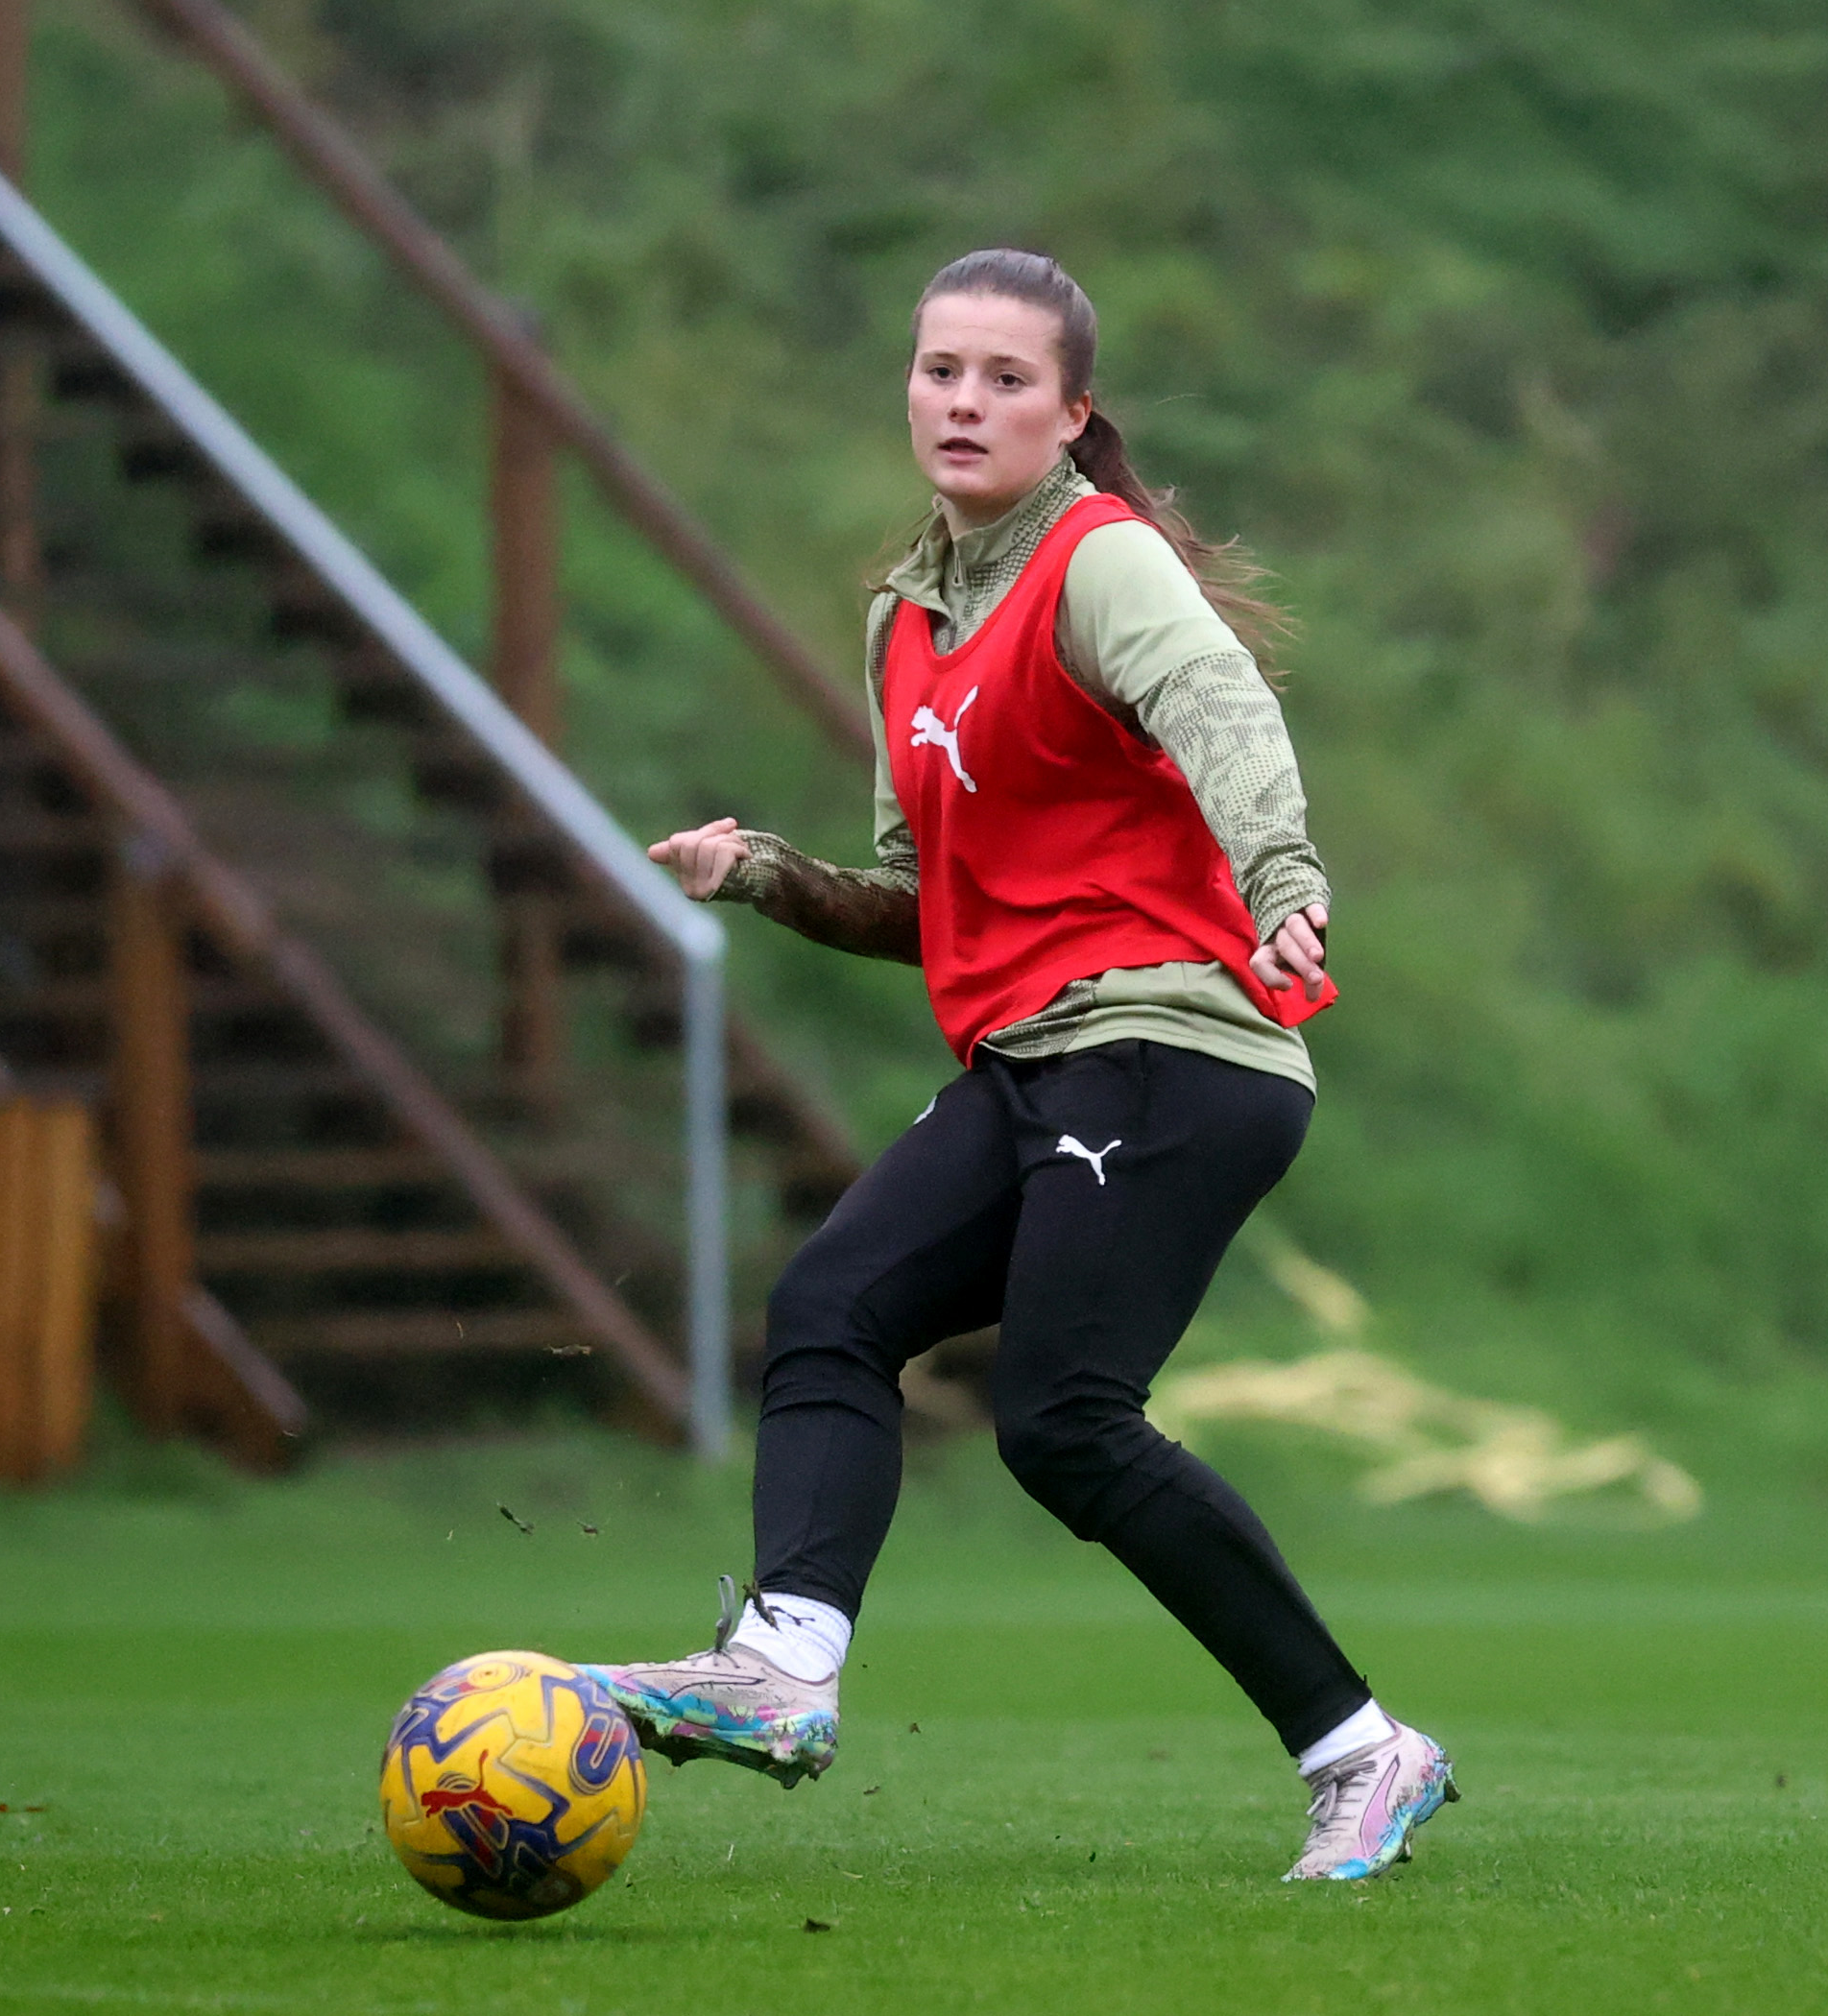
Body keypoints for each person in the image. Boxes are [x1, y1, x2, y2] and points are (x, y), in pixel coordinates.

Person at [596, 249, 1454, 1882]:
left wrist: (1283, 880)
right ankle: (780, 1673)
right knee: (832, 1308)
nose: (964, 400)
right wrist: (765, 874)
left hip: (1169, 1045)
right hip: (1037, 1054)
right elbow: (927, 901)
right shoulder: (904, 618)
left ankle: (1365, 1755)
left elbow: (1218, 705)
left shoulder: (1097, 558)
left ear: (1069, 414)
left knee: (1062, 1419)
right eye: (940, 370)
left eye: (1005, 378)